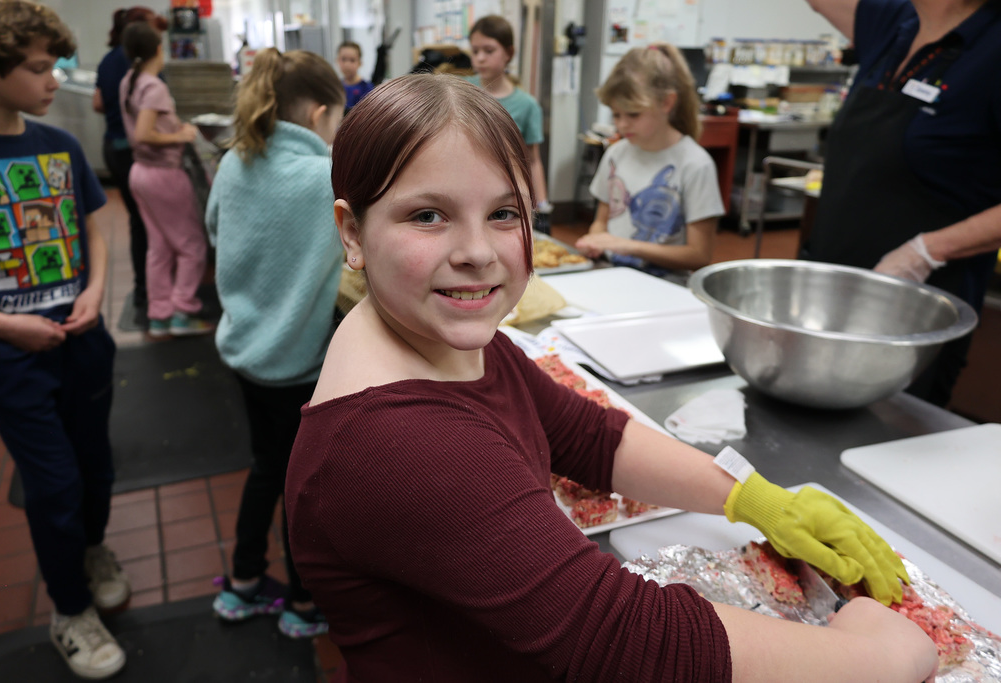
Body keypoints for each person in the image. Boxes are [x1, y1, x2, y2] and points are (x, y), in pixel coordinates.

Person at [284, 73, 938, 682]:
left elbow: (589, 436)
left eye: (504, 213)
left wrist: (753, 497)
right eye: (428, 214)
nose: (477, 251)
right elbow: (616, 635)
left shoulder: (442, 340)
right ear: (353, 232)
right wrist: (870, 658)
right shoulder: (399, 442)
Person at [0, 1, 129, 678]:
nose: (51, 80)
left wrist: (97, 291)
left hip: (82, 337)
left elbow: (91, 225)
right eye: (38, 68)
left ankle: (92, 548)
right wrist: (4, 324)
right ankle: (70, 608)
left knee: (97, 466)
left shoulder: (58, 144)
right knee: (54, 483)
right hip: (9, 354)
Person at [205, 46, 345, 639]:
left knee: (265, 468)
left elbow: (216, 228)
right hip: (299, 364)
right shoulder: (324, 175)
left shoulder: (235, 161)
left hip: (244, 352)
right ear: (317, 115)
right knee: (303, 489)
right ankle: (305, 606)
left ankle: (241, 585)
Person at [801, 0, 1001, 406]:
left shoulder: (992, 46)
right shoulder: (894, 20)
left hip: (918, 310)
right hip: (829, 293)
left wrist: (926, 252)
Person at [575, 43, 725, 284]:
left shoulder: (695, 165)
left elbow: (699, 255)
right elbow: (601, 222)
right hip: (613, 278)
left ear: (667, 103)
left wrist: (627, 246)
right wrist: (596, 240)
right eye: (616, 115)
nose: (622, 125)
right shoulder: (616, 154)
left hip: (666, 288)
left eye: (633, 114)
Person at [119, 21, 213, 339]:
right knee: (191, 245)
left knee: (159, 247)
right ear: (159, 48)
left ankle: (160, 315)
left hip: (140, 173)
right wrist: (181, 134)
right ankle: (182, 312)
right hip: (163, 175)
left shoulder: (129, 82)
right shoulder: (153, 86)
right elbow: (144, 134)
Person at [92, 6, 167, 326]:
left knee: (141, 222)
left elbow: (97, 102)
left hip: (114, 147)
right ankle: (152, 294)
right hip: (140, 156)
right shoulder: (146, 73)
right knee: (154, 229)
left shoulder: (109, 61)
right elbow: (145, 131)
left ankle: (145, 292)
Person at [464, 15, 551, 230]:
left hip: (504, 195)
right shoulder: (461, 92)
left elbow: (533, 160)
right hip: (464, 189)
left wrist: (541, 205)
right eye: (475, 51)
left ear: (509, 53)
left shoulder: (527, 105)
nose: (480, 58)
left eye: (489, 50)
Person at [336, 41, 372, 115]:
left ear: (359, 63)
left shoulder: (367, 88)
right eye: (343, 59)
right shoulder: (336, 87)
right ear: (337, 61)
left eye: (352, 60)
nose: (347, 64)